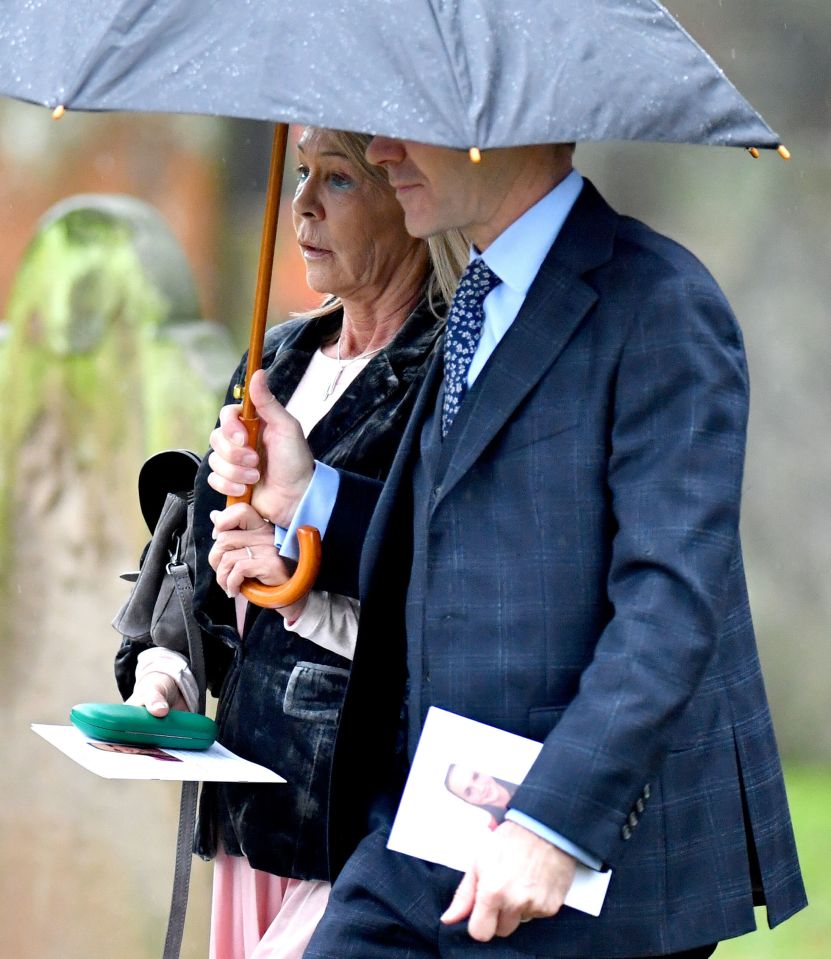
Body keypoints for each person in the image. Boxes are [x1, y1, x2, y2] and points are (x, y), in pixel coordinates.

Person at [207, 138, 807, 959]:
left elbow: (668, 606)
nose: (384, 148)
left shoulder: (661, 303)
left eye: (412, 124)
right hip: (429, 823)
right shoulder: (475, 303)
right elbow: (449, 544)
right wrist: (301, 494)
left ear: (509, 122)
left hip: (594, 866)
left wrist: (554, 822)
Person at [120, 127, 466, 959]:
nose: (301, 205)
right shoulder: (276, 357)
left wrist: (297, 580)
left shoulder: (450, 376)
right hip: (251, 807)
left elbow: (445, 602)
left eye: (338, 180)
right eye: (302, 173)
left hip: (357, 815)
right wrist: (168, 672)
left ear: (408, 197)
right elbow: (205, 576)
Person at [444, 765, 518, 828]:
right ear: (468, 802)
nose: (480, 789)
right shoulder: (501, 829)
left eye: (476, 776)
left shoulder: (522, 776)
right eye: (469, 792)